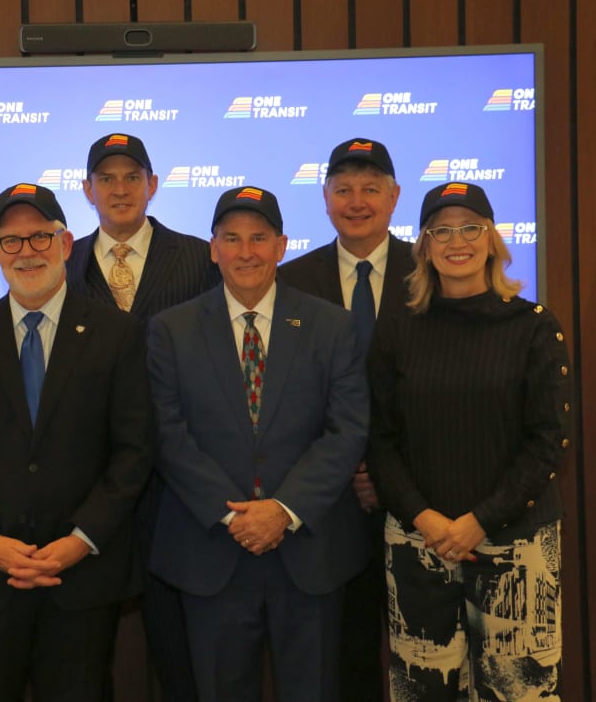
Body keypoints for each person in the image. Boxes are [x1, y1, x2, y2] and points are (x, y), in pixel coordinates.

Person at [0, 183, 153, 701]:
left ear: (66, 242)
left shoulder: (117, 333)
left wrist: (79, 542)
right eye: (12, 241)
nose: (26, 252)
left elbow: (133, 453)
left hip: (81, 579)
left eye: (40, 238)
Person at [147, 186, 370, 701]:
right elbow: (166, 433)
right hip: (212, 553)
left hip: (308, 552)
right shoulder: (171, 330)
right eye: (231, 238)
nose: (245, 251)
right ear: (212, 248)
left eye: (259, 238)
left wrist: (284, 510)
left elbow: (348, 429)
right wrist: (235, 516)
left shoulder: (330, 326)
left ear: (281, 245)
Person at [367, 182, 569, 700]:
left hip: (516, 545)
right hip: (419, 544)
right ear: (425, 245)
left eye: (470, 227)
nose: (457, 241)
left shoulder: (534, 327)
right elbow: (381, 441)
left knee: (519, 693)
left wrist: (479, 522)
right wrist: (426, 519)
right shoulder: (396, 329)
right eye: (442, 230)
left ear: (492, 239)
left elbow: (548, 442)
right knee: (423, 690)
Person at [68, 132, 220, 701]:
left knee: (180, 651)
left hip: (178, 486)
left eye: (132, 177)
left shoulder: (199, 258)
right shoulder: (66, 261)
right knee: (85, 650)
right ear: (87, 190)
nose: (120, 189)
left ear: (153, 185)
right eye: (106, 178)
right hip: (93, 484)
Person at [278, 137, 414, 700]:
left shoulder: (432, 269)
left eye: (371, 189)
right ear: (325, 196)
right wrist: (348, 469)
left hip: (416, 495)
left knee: (424, 652)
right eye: (343, 189)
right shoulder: (291, 279)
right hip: (325, 503)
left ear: (395, 197)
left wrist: (382, 471)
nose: (357, 201)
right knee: (344, 654)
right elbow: (288, 394)